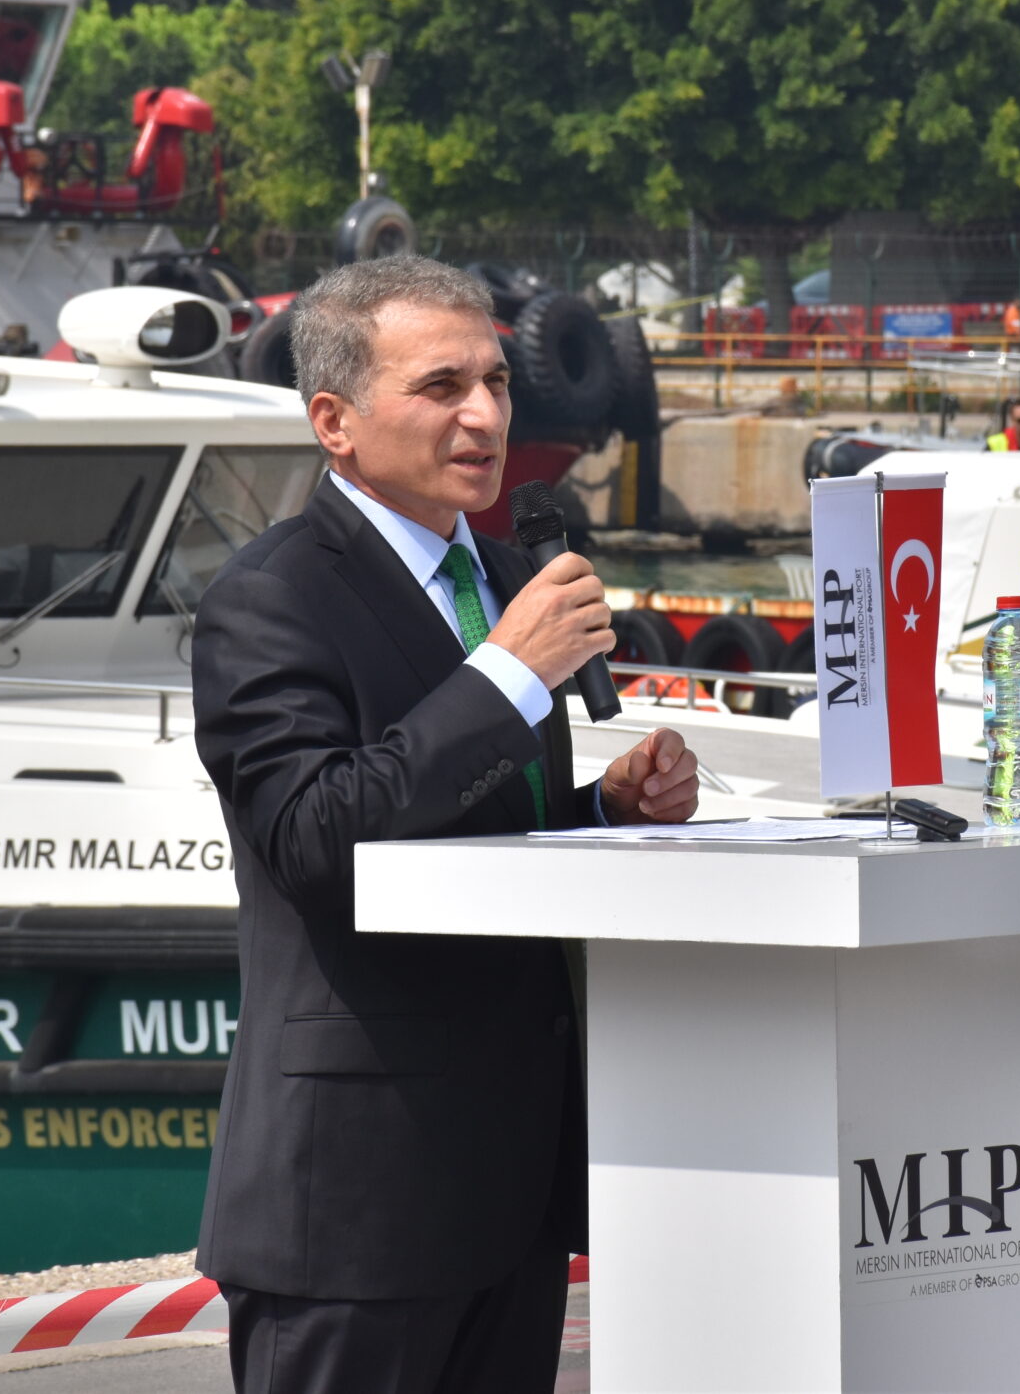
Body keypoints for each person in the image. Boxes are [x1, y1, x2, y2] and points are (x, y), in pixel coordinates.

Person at [192, 256, 702, 1394]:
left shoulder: (514, 574)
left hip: (510, 1193)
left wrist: (600, 808)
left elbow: (468, 840)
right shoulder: (270, 598)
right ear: (335, 420)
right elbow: (320, 840)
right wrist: (508, 677)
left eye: (496, 382)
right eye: (440, 388)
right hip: (355, 1204)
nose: (484, 415)